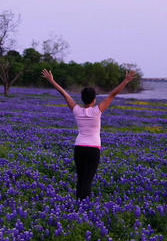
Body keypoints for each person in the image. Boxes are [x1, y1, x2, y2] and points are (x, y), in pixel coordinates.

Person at [41, 69, 137, 200]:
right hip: (93, 149)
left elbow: (64, 94)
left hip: (79, 148)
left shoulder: (77, 110)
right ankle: (83, 210)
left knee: (80, 179)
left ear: (82, 99)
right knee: (87, 181)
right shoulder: (97, 111)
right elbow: (113, 94)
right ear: (94, 99)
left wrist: (51, 80)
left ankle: (77, 207)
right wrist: (125, 80)